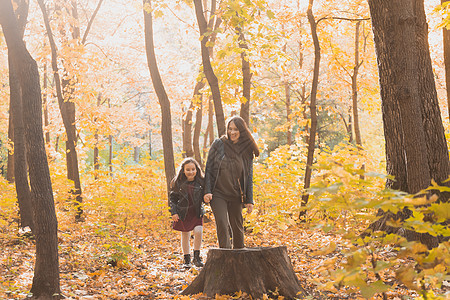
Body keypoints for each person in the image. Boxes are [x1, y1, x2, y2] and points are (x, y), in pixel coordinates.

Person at [203, 116, 260, 249]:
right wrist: (207, 191)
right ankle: (226, 257)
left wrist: (249, 199)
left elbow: (249, 175)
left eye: (235, 129)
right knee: (222, 224)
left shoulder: (246, 150)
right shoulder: (218, 144)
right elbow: (209, 168)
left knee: (238, 227)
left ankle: (240, 258)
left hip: (236, 194)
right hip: (218, 193)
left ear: (242, 131)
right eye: (230, 129)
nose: (232, 132)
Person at [169, 158, 205, 268]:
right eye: (188, 169)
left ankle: (197, 256)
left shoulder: (201, 182)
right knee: (185, 235)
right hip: (183, 212)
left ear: (197, 170)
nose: (191, 172)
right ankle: (186, 259)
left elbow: (205, 195)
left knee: (198, 231)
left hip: (196, 212)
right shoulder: (178, 182)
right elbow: (172, 199)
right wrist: (174, 212)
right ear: (183, 170)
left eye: (193, 169)